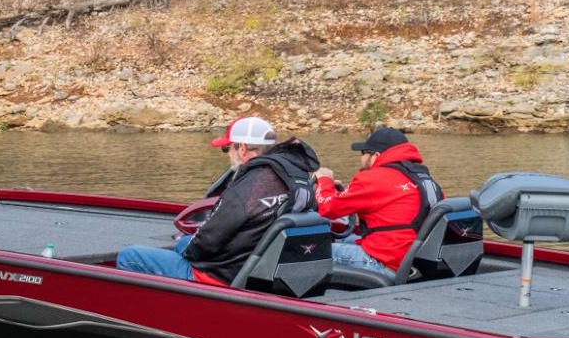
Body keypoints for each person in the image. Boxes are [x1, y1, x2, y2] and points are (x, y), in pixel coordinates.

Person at [116, 117, 321, 285]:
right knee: (185, 243)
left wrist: (189, 252)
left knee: (129, 256)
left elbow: (209, 239)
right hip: (256, 266)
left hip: (221, 275)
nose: (227, 155)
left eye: (227, 149)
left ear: (242, 149)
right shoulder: (296, 178)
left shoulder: (249, 187)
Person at [314, 126, 442, 275]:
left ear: (375, 155)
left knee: (310, 250)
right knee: (345, 239)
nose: (361, 158)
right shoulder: (425, 179)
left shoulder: (374, 178)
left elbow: (327, 207)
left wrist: (324, 180)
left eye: (363, 152)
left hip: (385, 263)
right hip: (414, 261)